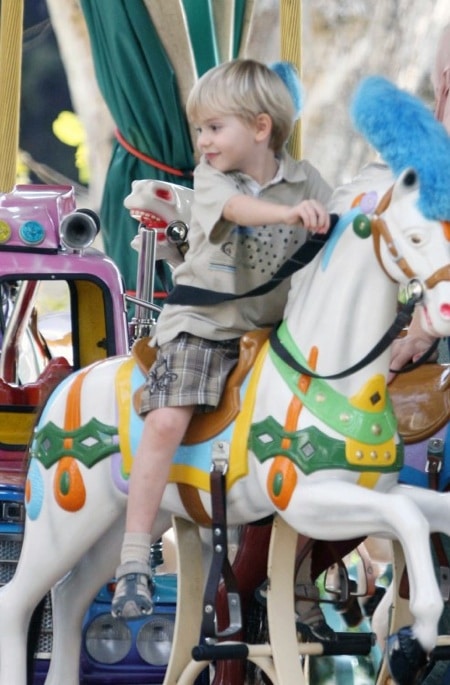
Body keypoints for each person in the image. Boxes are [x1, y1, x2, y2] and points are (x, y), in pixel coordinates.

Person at [111, 58, 332, 618]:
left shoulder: (308, 181)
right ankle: (135, 555)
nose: (203, 142)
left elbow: (338, 229)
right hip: (204, 328)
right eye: (199, 130)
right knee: (166, 418)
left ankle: (299, 570)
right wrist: (289, 213)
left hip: (272, 336)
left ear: (261, 128)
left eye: (215, 128)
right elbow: (240, 210)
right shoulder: (215, 181)